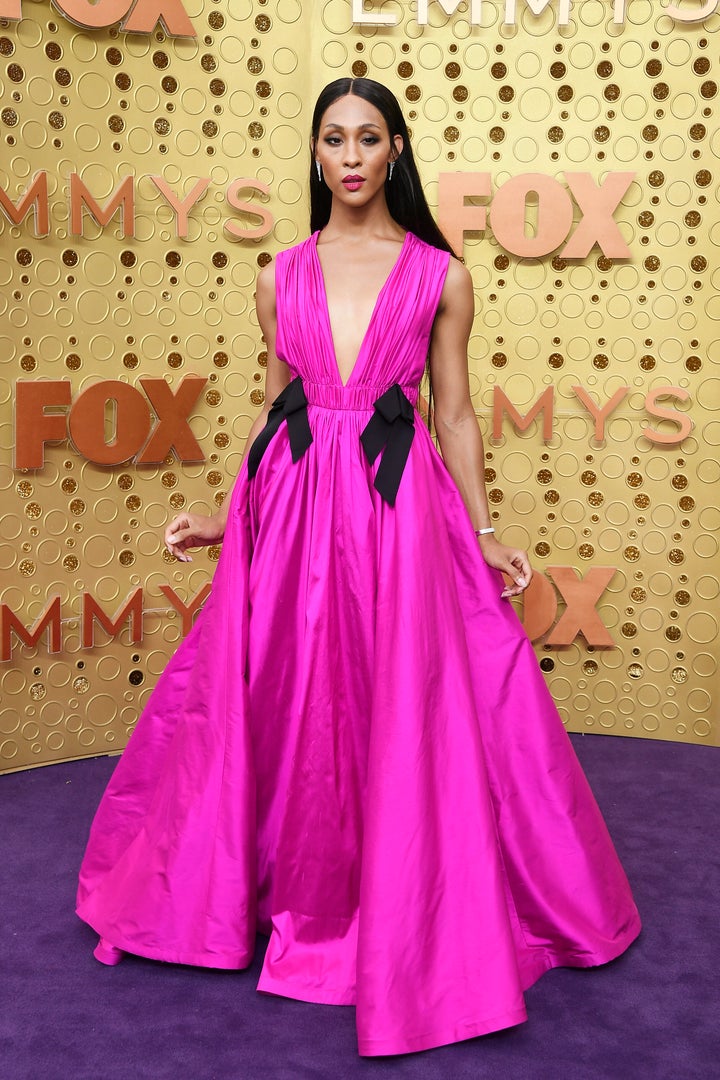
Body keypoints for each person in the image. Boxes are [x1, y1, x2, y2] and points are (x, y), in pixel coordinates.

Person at [77, 77, 641, 1057]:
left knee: (403, 698)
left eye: (367, 138)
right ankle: (282, 891)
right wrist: (225, 513)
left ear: (394, 153)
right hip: (292, 506)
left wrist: (484, 525)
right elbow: (271, 407)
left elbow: (455, 413)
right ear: (316, 153)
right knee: (289, 696)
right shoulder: (279, 273)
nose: (348, 155)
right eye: (332, 138)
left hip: (395, 508)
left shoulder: (439, 275)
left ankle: (409, 908)